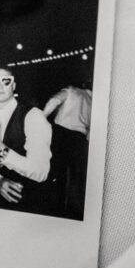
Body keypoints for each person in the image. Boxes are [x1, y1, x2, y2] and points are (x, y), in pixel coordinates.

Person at [0, 66, 54, 215]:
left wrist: (0, 149)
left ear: (13, 86)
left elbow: (41, 172)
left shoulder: (34, 117)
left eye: (6, 81)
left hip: (27, 203)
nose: (0, 86)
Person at [43, 83, 92, 219]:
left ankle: (52, 206)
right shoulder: (92, 99)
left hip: (61, 134)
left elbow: (54, 101)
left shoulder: (71, 91)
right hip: (80, 139)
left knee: (55, 171)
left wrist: (42, 117)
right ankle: (71, 209)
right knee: (75, 176)